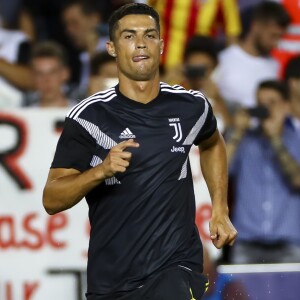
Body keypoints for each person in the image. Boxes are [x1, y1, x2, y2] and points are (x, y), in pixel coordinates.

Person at [43, 3, 237, 299]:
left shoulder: (191, 107)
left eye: (149, 35)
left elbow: (212, 142)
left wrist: (220, 209)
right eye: (129, 36)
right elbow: (52, 198)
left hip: (176, 267)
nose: (141, 43)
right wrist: (101, 171)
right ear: (111, 47)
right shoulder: (88, 117)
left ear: (161, 44)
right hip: (112, 280)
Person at [226, 80, 300, 264]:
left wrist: (275, 139)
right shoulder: (244, 139)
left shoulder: (296, 141)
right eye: (261, 104)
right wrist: (237, 132)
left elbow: (297, 180)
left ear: (286, 106)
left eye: (272, 103)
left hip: (288, 243)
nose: (265, 109)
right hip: (247, 242)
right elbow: (220, 173)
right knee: (240, 294)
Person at [214, 1, 290, 110]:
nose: (276, 44)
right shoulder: (223, 60)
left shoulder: (275, 66)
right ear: (256, 26)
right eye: (273, 36)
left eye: (279, 37)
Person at [23, 41, 77, 108]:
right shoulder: (26, 116)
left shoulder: (82, 115)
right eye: (40, 74)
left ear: (65, 73)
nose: (46, 80)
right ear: (33, 77)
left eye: (52, 73)